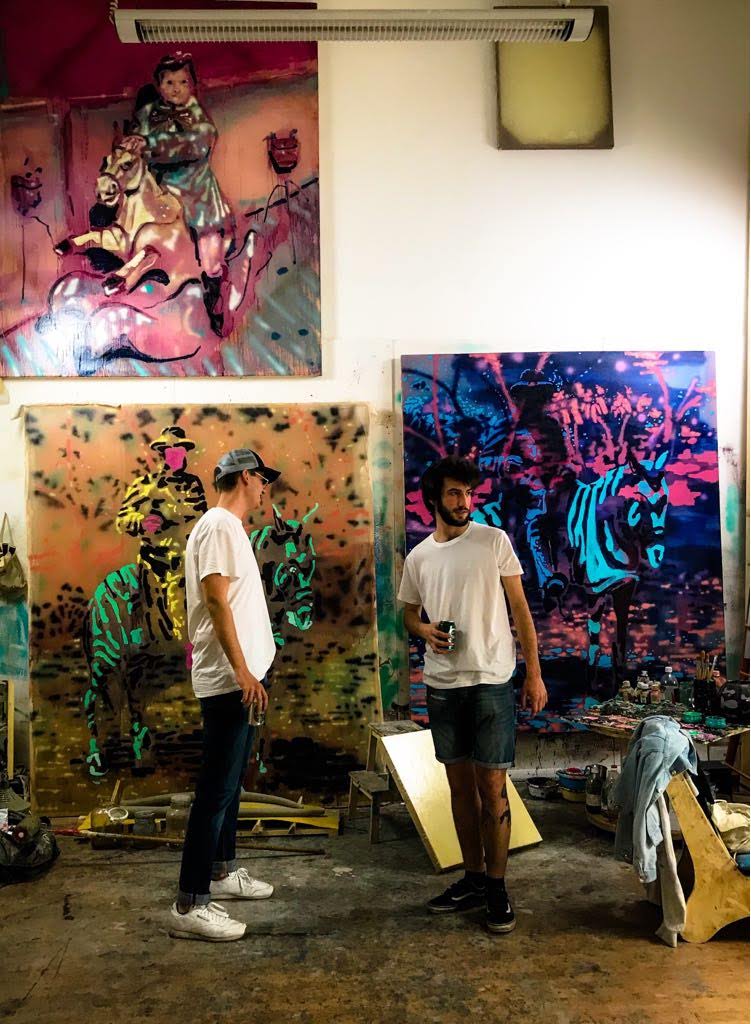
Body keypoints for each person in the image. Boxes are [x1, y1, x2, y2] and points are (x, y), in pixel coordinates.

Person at [398, 455, 548, 934]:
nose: (465, 502)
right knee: (460, 790)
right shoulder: (419, 557)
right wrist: (424, 630)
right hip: (442, 686)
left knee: (493, 789)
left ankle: (498, 887)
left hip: (490, 682)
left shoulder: (493, 541)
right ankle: (474, 879)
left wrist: (534, 674)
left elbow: (520, 609)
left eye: (468, 493)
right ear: (434, 499)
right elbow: (408, 613)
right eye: (455, 493)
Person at [169, 447, 281, 942]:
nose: (265, 489)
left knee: (230, 786)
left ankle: (222, 870)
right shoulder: (218, 525)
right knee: (215, 792)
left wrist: (251, 671)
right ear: (247, 477)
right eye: (263, 479)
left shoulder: (228, 528)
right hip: (230, 682)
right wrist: (241, 672)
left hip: (244, 679)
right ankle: (189, 903)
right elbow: (216, 600)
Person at [129, 53, 235, 337]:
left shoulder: (196, 114)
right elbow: (134, 144)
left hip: (197, 194)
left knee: (210, 257)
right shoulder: (147, 114)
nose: (176, 89)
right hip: (161, 193)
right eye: (169, 82)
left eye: (183, 82)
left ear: (193, 85)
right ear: (159, 85)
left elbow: (198, 144)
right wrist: (135, 144)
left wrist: (151, 144)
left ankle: (215, 295)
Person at [116, 425, 207, 643]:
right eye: (173, 451)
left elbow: (202, 519)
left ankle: (188, 650)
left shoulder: (193, 485)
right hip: (154, 565)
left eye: (181, 451)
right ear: (163, 454)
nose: (178, 455)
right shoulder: (145, 486)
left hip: (187, 565)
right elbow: (122, 520)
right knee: (148, 620)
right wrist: (142, 522)